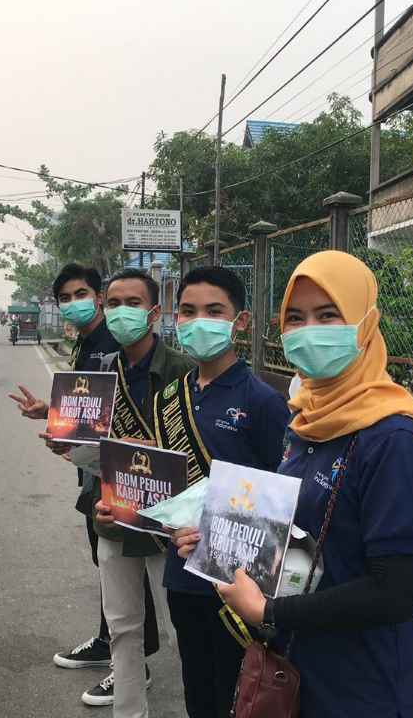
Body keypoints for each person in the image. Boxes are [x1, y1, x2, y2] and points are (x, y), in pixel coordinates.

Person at [179, 251, 413, 718]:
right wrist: (213, 539)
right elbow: (295, 536)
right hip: (299, 671)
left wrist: (268, 613)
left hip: (364, 687)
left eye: (328, 316)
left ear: (365, 324)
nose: (309, 331)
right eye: (296, 318)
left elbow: (395, 592)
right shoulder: (307, 421)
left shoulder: (394, 438)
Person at [7, 264, 161, 708]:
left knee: (130, 567)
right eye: (65, 297)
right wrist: (51, 415)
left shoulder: (117, 345)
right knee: (107, 564)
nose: (74, 303)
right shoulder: (90, 344)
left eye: (82, 294)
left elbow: (128, 416)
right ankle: (109, 641)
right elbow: (88, 409)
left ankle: (134, 663)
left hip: (125, 475)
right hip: (94, 471)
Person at [152, 266, 290, 718]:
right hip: (182, 576)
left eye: (214, 311)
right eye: (188, 311)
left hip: (239, 585)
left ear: (240, 321)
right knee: (198, 691)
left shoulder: (262, 401)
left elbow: (283, 497)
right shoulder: (170, 397)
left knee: (241, 696)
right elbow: (166, 486)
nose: (199, 322)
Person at [86, 268, 194, 713]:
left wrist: (154, 448)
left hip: (169, 525)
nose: (121, 312)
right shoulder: (102, 371)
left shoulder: (183, 371)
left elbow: (202, 451)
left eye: (133, 303)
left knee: (181, 631)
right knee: (122, 627)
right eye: (113, 303)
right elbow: (94, 450)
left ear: (154, 313)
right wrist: (67, 443)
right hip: (115, 515)